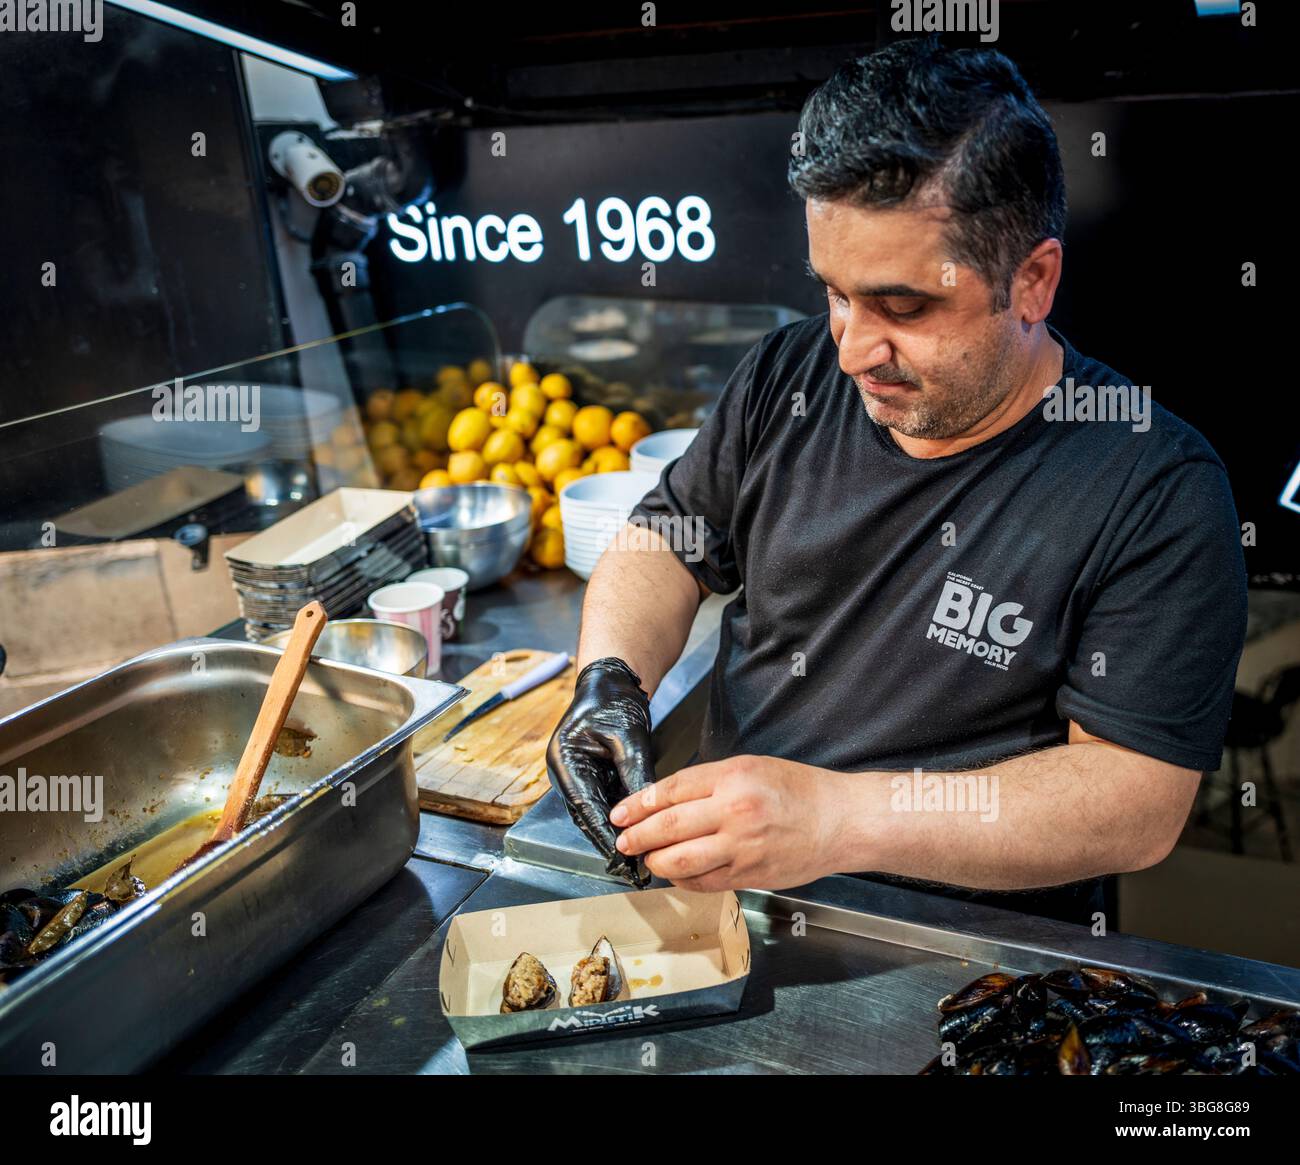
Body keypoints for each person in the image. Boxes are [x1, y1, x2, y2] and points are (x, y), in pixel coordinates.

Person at [545, 37, 1247, 924]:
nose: (850, 349)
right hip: (728, 911)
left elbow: (1134, 798)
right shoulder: (786, 376)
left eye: (902, 308)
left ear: (1031, 282)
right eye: (834, 294)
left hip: (967, 955)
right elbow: (670, 536)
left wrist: (837, 819)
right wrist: (608, 677)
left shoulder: (1156, 487)